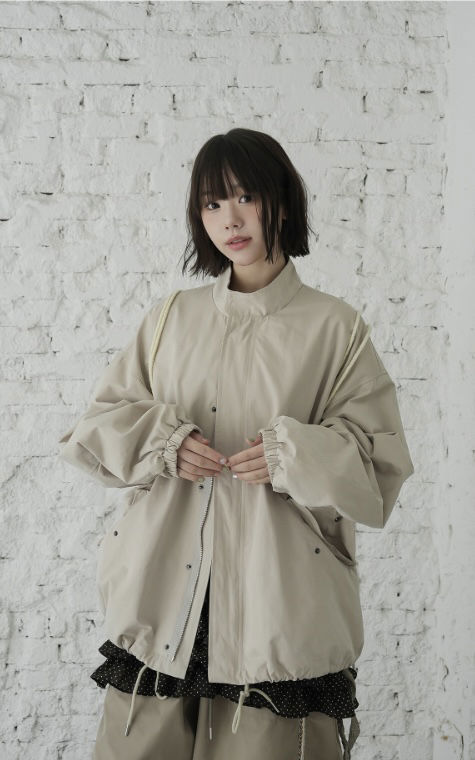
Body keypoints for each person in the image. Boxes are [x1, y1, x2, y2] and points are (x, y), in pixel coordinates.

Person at [58, 127, 415, 760]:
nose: (231, 219)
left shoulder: (336, 328)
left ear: (282, 202)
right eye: (212, 203)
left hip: (278, 613)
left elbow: (377, 467)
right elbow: (95, 429)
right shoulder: (170, 318)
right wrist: (163, 441)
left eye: (247, 197)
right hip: (163, 604)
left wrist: (292, 454)